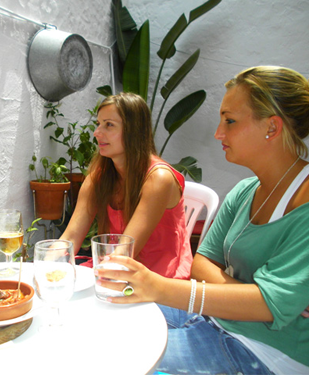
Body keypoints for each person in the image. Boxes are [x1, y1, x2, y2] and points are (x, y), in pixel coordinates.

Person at [96, 66, 309, 374]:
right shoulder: (245, 191)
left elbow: (267, 306)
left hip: (265, 352)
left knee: (115, 358)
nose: (218, 133)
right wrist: (250, 296)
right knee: (103, 320)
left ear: (272, 128)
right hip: (215, 318)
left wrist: (158, 287)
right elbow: (202, 262)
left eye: (230, 121)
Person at [59, 92, 193, 279]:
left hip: (159, 283)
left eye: (109, 125)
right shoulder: (98, 177)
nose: (97, 133)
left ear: (134, 131)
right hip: (112, 271)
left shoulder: (159, 178)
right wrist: (45, 267)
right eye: (98, 124)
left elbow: (125, 251)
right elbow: (70, 238)